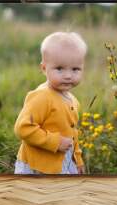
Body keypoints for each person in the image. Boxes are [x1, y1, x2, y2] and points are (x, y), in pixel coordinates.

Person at [13, 31, 87, 174]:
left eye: (75, 69)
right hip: (37, 166)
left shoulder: (73, 100)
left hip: (62, 162)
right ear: (44, 68)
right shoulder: (42, 97)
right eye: (59, 68)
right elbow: (22, 128)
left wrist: (77, 159)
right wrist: (56, 142)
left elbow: (73, 133)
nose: (68, 76)